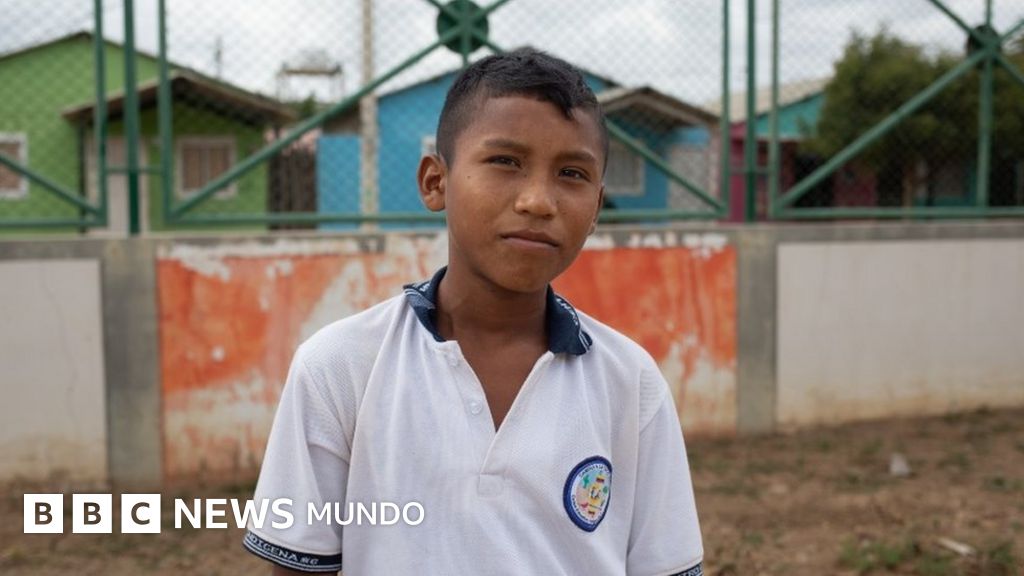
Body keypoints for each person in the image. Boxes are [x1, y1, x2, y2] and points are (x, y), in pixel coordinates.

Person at [244, 48, 704, 575]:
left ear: (597, 207)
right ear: (435, 182)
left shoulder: (631, 384)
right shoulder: (340, 368)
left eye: (571, 173)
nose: (537, 200)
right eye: (505, 162)